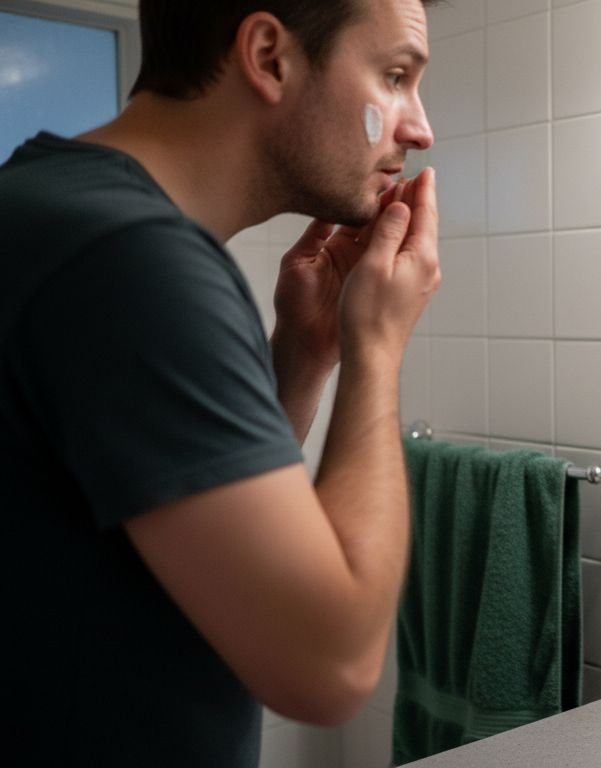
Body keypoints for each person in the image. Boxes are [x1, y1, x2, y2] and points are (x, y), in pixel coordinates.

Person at [0, 1, 439, 765]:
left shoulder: (55, 205)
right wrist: (376, 349)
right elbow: (330, 669)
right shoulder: (130, 258)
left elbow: (181, 533)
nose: (419, 127)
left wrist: (303, 359)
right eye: (396, 76)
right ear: (269, 55)